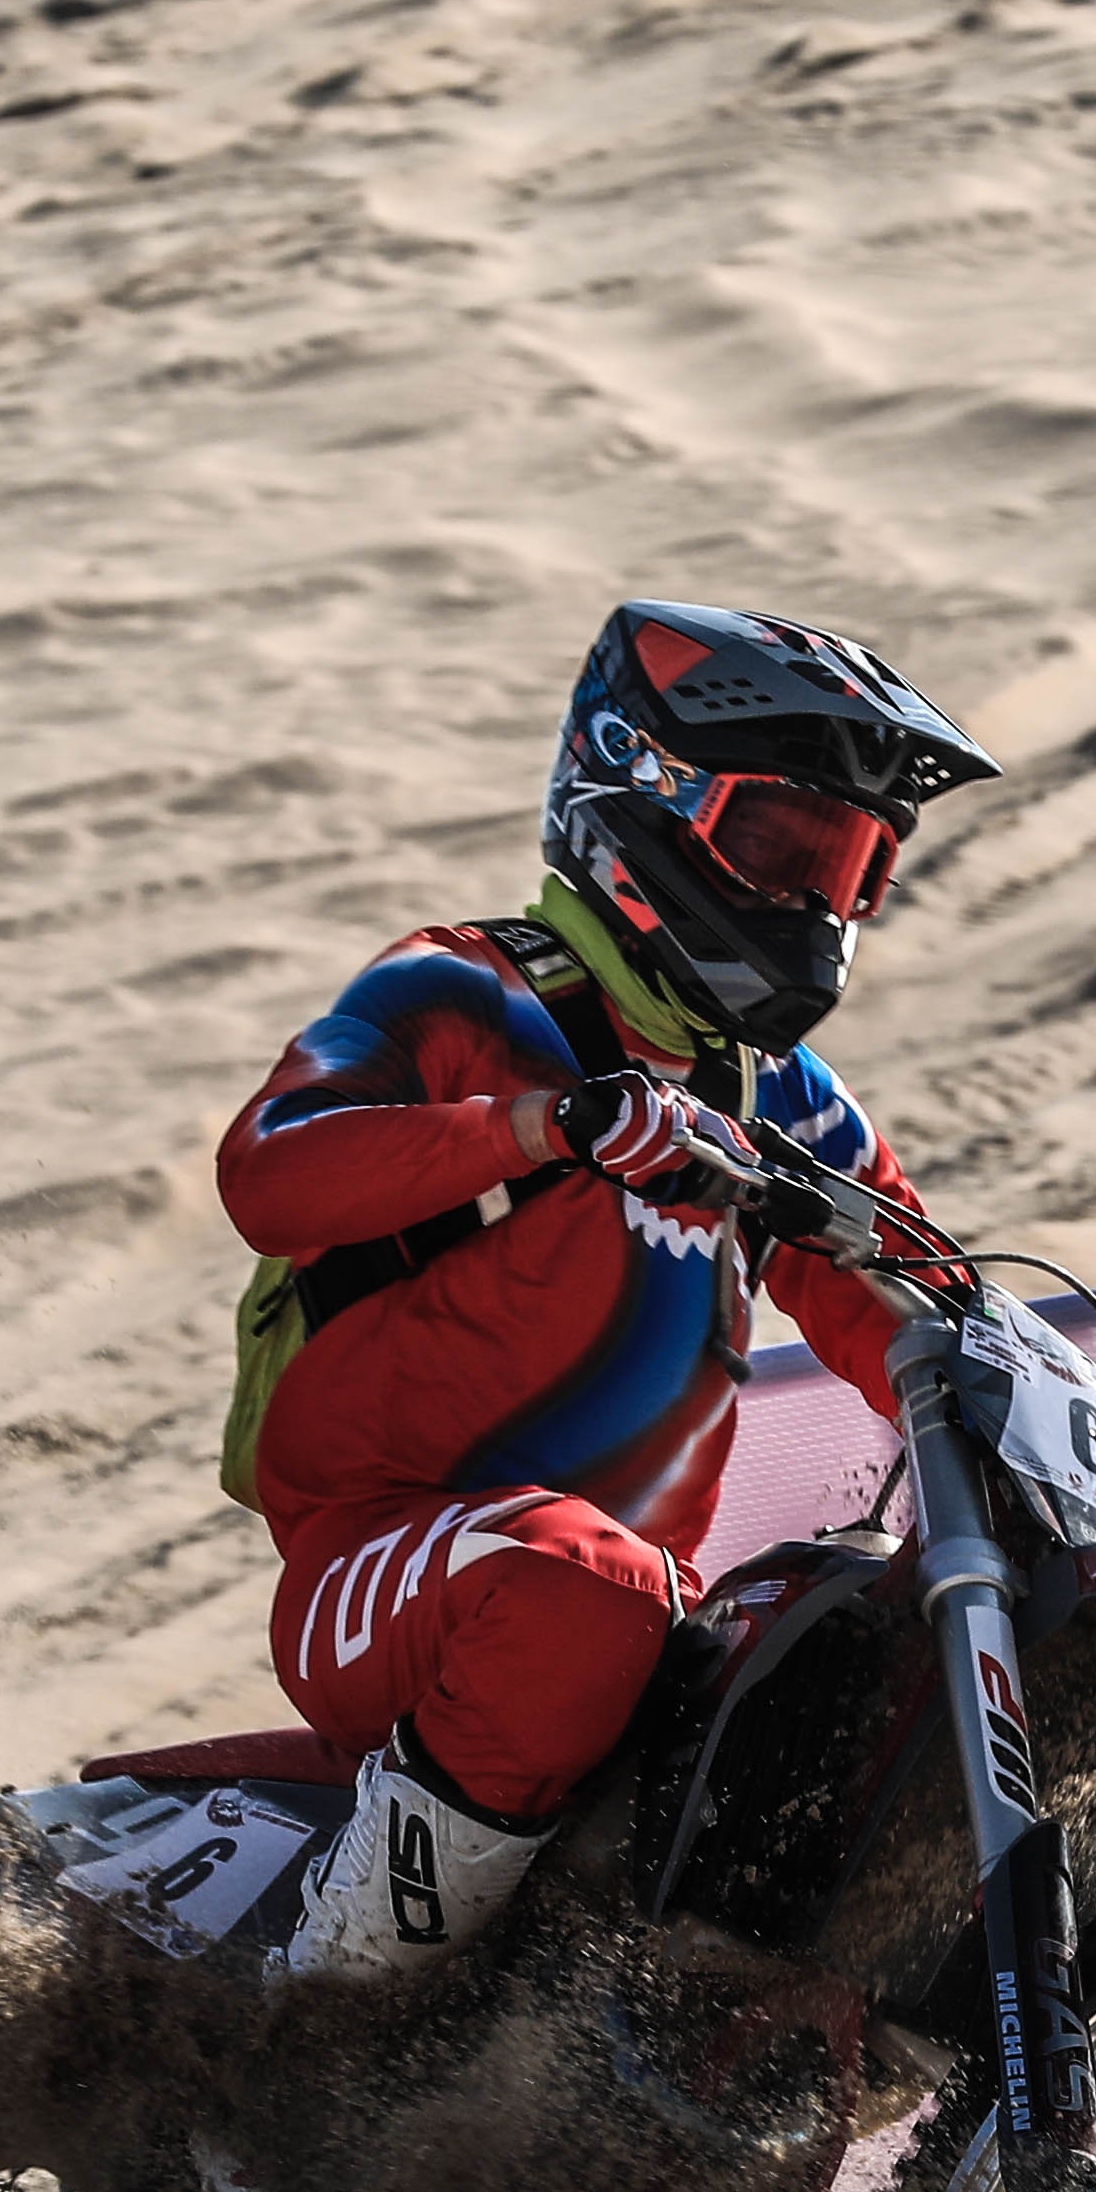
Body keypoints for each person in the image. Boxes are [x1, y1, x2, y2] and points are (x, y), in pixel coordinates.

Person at [214, 602, 999, 1990]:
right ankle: (319, 2016)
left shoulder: (786, 1102)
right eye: (785, 845)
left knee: (847, 1646)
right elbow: (267, 1174)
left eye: (853, 866)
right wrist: (545, 1125)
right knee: (581, 1584)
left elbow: (931, 1316)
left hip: (639, 1611)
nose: (815, 902)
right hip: (382, 1567)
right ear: (640, 789)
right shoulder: (467, 990)